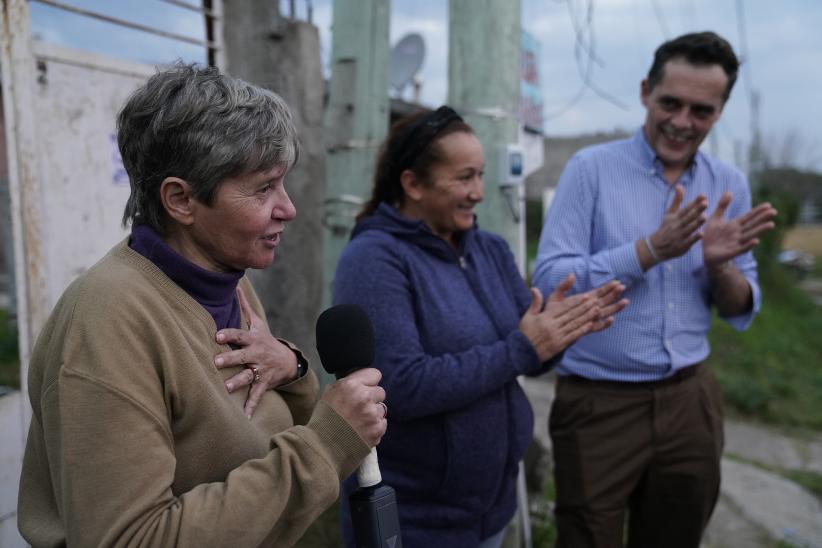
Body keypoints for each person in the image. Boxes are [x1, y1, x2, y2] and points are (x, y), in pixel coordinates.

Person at [17, 63, 387, 547]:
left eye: (283, 182)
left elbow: (258, 433)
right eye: (263, 187)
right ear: (181, 200)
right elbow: (132, 539)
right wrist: (325, 445)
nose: (288, 208)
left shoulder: (226, 280)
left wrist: (292, 367)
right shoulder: (107, 323)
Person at [332, 106, 628, 547]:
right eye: (464, 177)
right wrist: (525, 347)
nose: (479, 193)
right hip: (418, 522)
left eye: (481, 175)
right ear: (412, 183)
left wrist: (558, 332)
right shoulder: (374, 259)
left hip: (491, 511)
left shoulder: (488, 248)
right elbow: (399, 385)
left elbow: (525, 352)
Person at [532, 31, 778, 547]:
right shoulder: (590, 170)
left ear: (720, 110)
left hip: (691, 400)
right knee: (586, 538)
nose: (682, 122)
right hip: (599, 403)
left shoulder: (728, 182)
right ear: (646, 91)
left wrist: (720, 267)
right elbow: (552, 281)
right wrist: (649, 251)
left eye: (701, 111)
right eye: (671, 102)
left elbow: (740, 308)